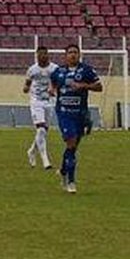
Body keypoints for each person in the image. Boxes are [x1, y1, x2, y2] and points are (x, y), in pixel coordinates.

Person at [49, 43, 102, 194]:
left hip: (80, 114)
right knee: (71, 142)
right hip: (64, 113)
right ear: (65, 56)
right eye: (70, 52)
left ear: (79, 55)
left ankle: (64, 170)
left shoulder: (86, 70)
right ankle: (71, 182)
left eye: (75, 52)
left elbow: (99, 86)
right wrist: (52, 89)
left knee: (73, 147)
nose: (73, 55)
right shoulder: (58, 71)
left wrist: (83, 86)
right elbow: (53, 82)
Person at [23, 46, 57, 169]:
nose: (41, 57)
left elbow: (58, 82)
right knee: (41, 129)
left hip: (49, 102)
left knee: (43, 132)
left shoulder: (54, 69)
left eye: (44, 54)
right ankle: (45, 160)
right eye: (39, 55)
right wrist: (26, 88)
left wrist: (53, 89)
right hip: (36, 101)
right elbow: (27, 84)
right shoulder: (32, 70)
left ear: (47, 55)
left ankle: (32, 151)